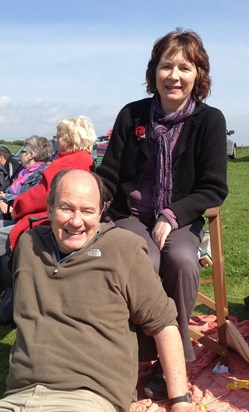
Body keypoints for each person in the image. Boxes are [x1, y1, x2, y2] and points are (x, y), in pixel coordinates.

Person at [96, 28, 228, 399]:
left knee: (184, 261)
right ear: (154, 71)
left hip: (180, 219)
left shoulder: (210, 121)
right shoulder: (131, 115)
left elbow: (214, 187)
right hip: (130, 216)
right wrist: (89, 200)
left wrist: (172, 216)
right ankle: (145, 355)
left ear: (198, 75)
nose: (174, 75)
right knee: (145, 261)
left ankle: (175, 360)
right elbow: (108, 176)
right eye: (166, 66)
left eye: (185, 67)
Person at [0, 169, 196, 412]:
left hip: (86, 398)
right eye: (66, 208)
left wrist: (181, 402)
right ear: (49, 208)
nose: (76, 221)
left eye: (87, 210)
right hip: (17, 396)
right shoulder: (29, 246)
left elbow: (164, 324)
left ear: (101, 211)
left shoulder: (123, 249)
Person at [0, 114, 96, 256]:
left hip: (44, 223)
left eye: (58, 136)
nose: (56, 141)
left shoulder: (64, 164)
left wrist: (15, 207)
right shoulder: (87, 160)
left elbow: (39, 197)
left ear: (67, 140)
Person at [0, 135, 53, 215]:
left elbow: (29, 200)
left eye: (22, 152)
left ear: (31, 155)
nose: (20, 155)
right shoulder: (23, 171)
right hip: (9, 209)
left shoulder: (42, 174)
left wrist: (5, 197)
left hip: (20, 215)